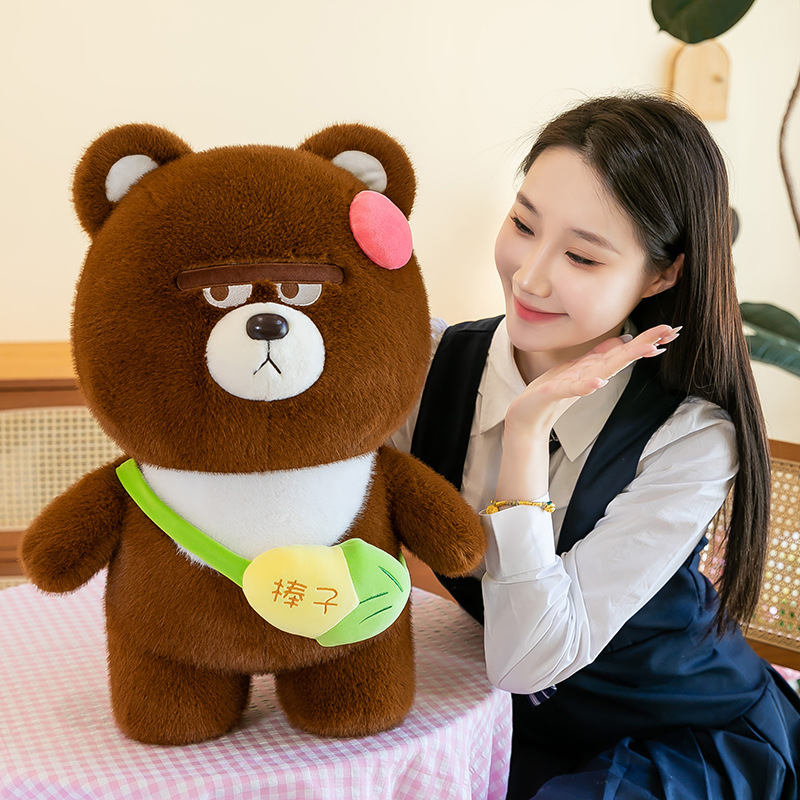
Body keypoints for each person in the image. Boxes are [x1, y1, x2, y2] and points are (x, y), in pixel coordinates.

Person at [391, 94, 800, 799]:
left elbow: (527, 660)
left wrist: (526, 431)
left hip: (679, 735)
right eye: (523, 224)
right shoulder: (429, 363)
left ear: (663, 274)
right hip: (512, 723)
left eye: (581, 256)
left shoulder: (690, 434)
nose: (530, 276)